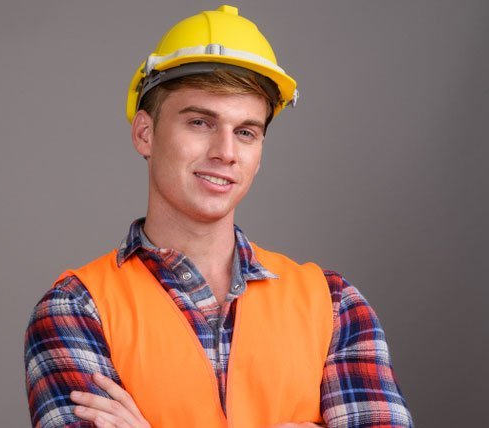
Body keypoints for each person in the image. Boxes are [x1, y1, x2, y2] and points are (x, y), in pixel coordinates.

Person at [24, 5, 413, 428]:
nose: (226, 152)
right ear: (145, 133)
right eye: (200, 122)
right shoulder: (76, 309)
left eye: (245, 132)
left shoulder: (334, 305)